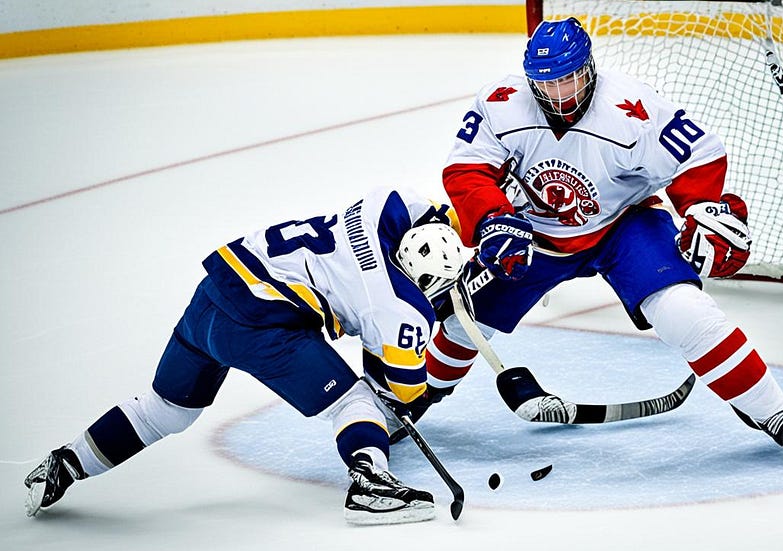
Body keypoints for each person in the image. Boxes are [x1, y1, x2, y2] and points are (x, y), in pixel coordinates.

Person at [413, 17, 783, 453]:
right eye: (547, 84)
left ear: (589, 68)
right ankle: (418, 396)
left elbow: (699, 155)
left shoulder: (631, 107)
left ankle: (771, 411)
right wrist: (492, 219)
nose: (559, 95)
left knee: (681, 308)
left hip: (623, 224)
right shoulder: (501, 102)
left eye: (568, 79)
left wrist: (699, 208)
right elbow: (466, 169)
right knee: (463, 320)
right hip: (533, 233)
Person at [24, 186, 467, 525]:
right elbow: (405, 392)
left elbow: (436, 211)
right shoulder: (399, 308)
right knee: (356, 402)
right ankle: (370, 486)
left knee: (166, 410)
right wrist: (414, 343)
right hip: (260, 321)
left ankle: (67, 462)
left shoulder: (382, 209)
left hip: (215, 292)